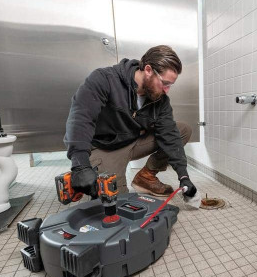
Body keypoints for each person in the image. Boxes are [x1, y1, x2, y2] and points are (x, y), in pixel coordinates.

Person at [63, 45, 197, 200]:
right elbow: (80, 118)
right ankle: (98, 168)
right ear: (148, 70)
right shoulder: (105, 79)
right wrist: (80, 164)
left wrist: (183, 176)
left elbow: (170, 136)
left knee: (182, 130)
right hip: (106, 147)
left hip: (133, 141)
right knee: (116, 202)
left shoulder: (160, 100)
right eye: (165, 83)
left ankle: (146, 177)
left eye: (170, 85)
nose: (167, 90)